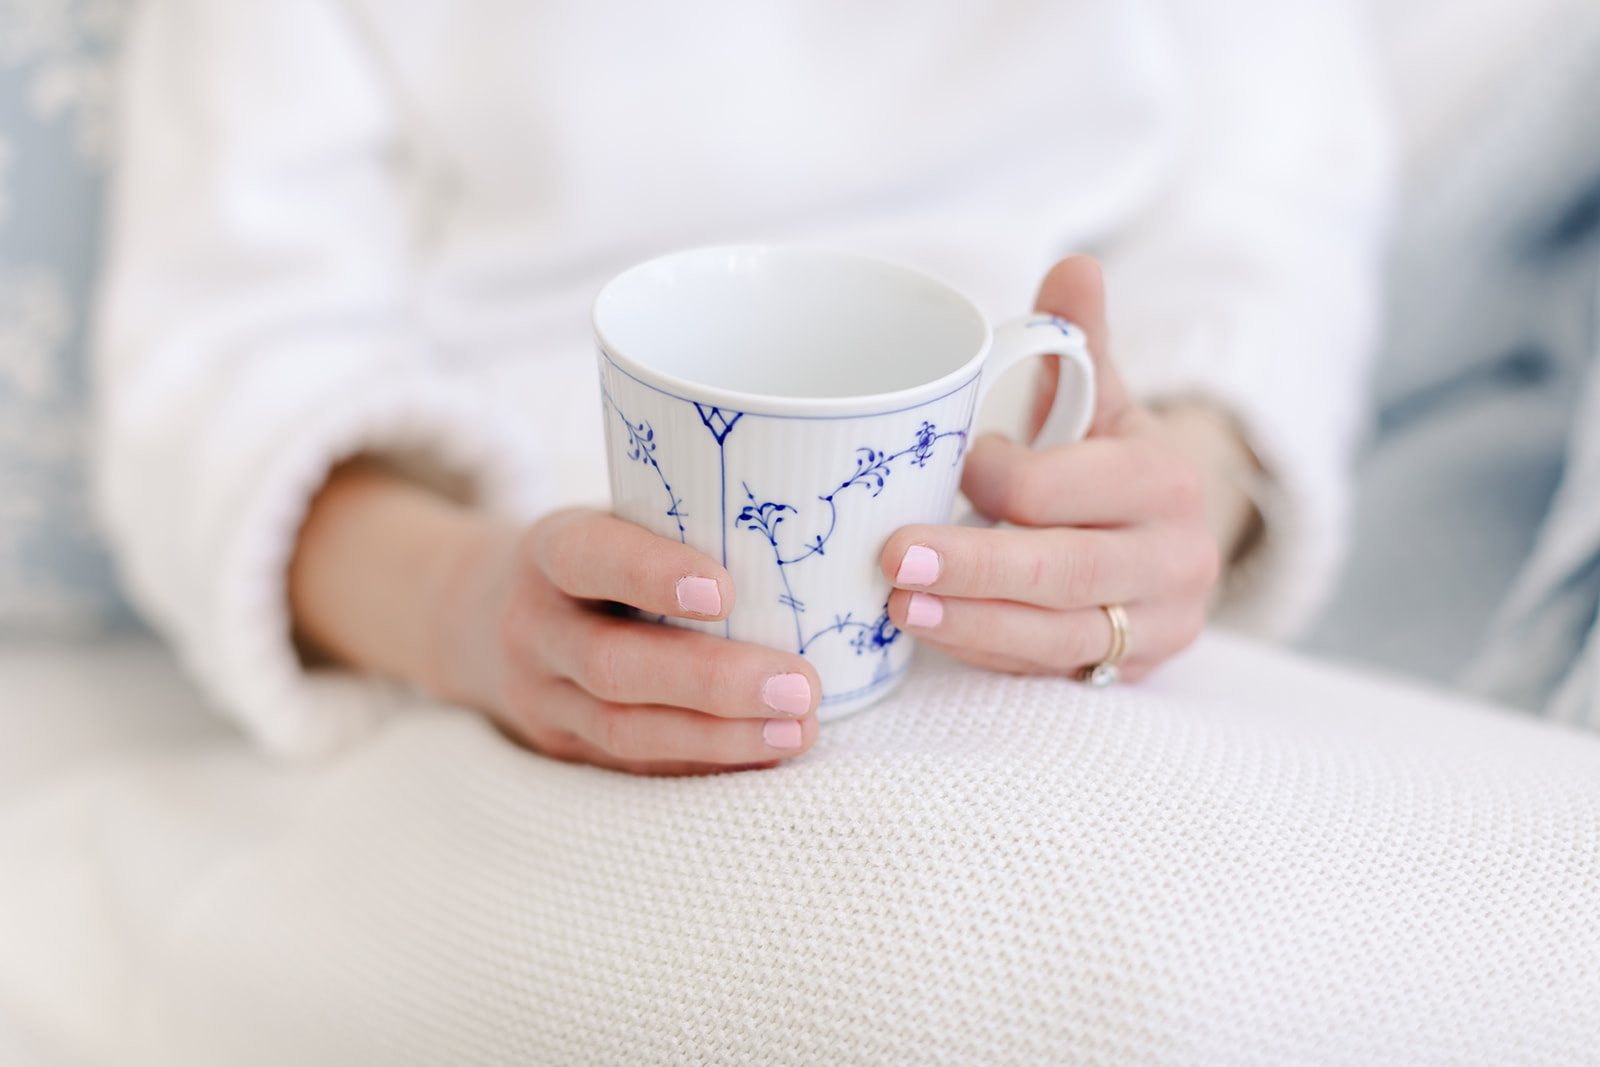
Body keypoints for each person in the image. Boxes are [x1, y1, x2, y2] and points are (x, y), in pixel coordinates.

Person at [95, 0, 1390, 768]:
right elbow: (218, 362)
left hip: (1073, 657)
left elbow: (1276, 219)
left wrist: (1185, 498)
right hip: (518, 659)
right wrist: (465, 613)